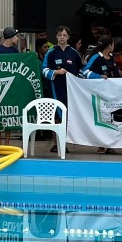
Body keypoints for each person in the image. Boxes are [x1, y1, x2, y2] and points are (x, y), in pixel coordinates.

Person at [41, 25, 82, 154]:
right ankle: (56, 143)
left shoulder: (74, 53)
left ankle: (64, 142)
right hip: (55, 89)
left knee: (68, 116)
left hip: (71, 90)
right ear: (56, 37)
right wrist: (56, 72)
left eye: (64, 35)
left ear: (68, 37)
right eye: (60, 35)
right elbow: (44, 70)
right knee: (56, 116)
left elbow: (81, 71)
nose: (62, 38)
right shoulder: (51, 52)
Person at [81, 35, 119, 154]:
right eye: (113, 44)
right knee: (101, 118)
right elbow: (85, 72)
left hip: (112, 93)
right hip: (99, 93)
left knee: (111, 118)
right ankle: (101, 145)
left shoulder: (112, 58)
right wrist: (99, 77)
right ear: (109, 45)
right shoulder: (96, 57)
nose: (114, 46)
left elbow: (116, 75)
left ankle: (111, 144)